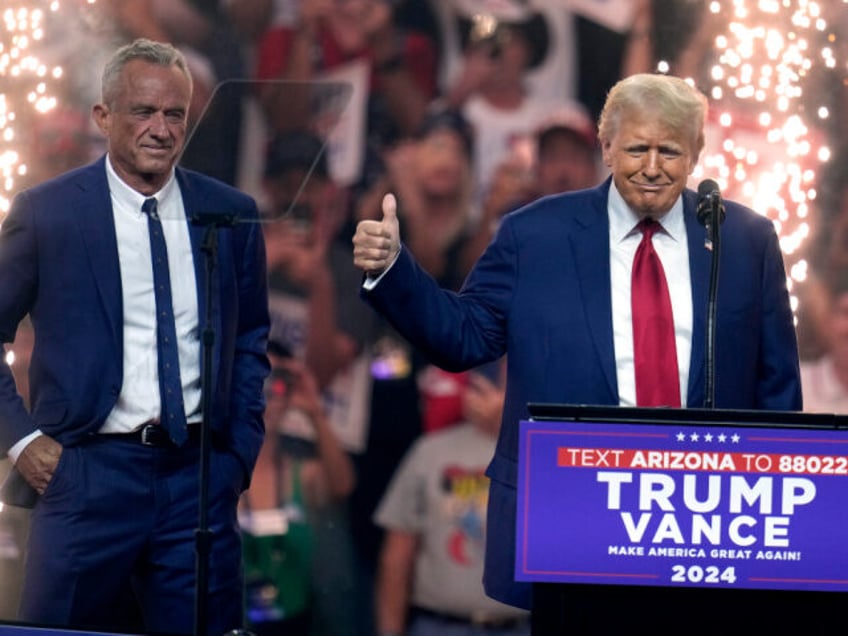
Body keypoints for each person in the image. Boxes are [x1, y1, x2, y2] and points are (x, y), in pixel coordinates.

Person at [352, 73, 801, 618]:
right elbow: (465, 335)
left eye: (670, 151)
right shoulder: (533, 235)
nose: (653, 167)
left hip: (706, 531)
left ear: (697, 152)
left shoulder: (746, 241)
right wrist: (394, 270)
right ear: (607, 146)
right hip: (573, 522)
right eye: (637, 148)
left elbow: (778, 394)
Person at [0, 38, 270, 635]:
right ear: (104, 117)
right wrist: (22, 443)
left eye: (174, 114)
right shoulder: (47, 213)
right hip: (84, 474)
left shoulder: (229, 214)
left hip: (198, 479)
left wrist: (238, 454)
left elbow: (251, 340)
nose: (160, 128)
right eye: (143, 111)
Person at [374, 361, 530, 636]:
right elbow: (397, 557)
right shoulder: (430, 451)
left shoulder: (539, 451)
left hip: (520, 626)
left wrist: (515, 431)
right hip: (439, 625)